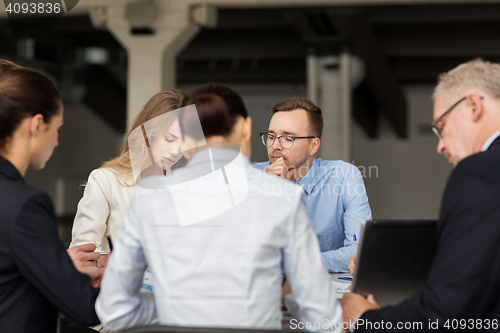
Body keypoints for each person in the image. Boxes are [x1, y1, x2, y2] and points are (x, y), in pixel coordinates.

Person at [95, 84, 343, 332]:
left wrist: (177, 306)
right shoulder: (284, 197)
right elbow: (324, 319)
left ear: (183, 137)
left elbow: (114, 311)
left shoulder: (149, 198)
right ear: (246, 127)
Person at [341, 59, 500, 332]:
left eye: (441, 126)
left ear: (473, 105)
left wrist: (365, 320)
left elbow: (447, 312)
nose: (440, 146)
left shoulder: (480, 170)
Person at [0, 66, 103, 332]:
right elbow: (84, 309)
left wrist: (54, 264)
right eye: (57, 128)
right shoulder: (26, 205)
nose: (57, 140)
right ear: (36, 125)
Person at [253, 97, 372, 273]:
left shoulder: (344, 176)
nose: (275, 146)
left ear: (313, 145)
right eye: (271, 136)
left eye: (288, 138)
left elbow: (360, 251)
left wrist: (298, 264)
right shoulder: (252, 177)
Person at [70, 89, 185, 252]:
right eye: (169, 139)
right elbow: (81, 252)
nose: (175, 151)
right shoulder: (105, 181)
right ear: (148, 134)